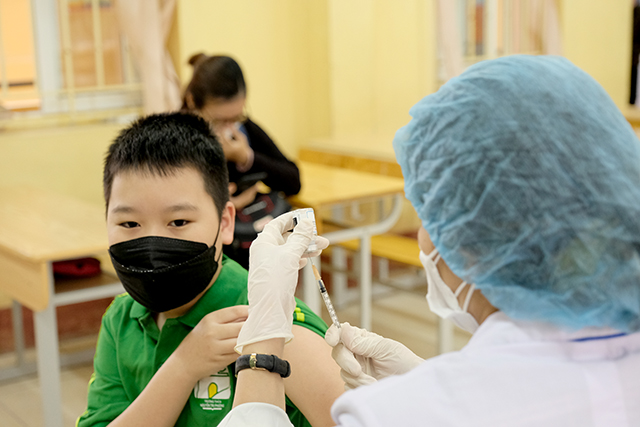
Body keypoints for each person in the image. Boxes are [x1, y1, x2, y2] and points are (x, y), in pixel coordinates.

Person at [217, 55, 640, 426]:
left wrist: (261, 345)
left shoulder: (393, 414)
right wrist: (421, 375)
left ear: (467, 241)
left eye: (427, 211)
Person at [76, 113, 342, 427]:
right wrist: (182, 367)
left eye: (178, 221)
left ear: (225, 222)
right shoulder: (121, 319)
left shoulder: (272, 323)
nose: (152, 243)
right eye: (129, 223)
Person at [182, 53, 300, 269]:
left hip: (248, 250)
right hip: (202, 259)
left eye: (236, 117)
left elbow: (293, 181)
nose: (230, 127)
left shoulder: (244, 128)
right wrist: (220, 205)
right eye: (220, 120)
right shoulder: (177, 137)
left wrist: (246, 157)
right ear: (192, 103)